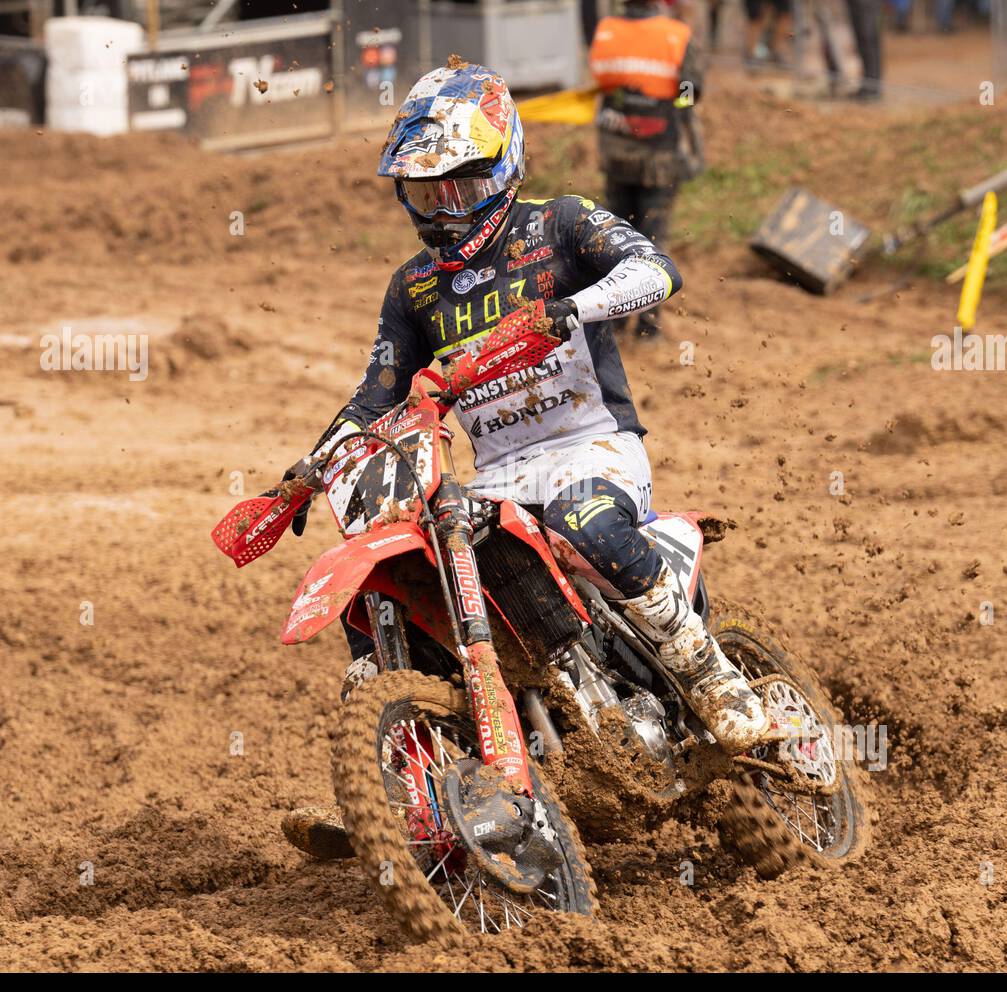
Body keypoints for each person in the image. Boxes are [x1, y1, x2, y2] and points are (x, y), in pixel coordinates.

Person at [284, 61, 775, 755]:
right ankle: (397, 760)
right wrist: (311, 467)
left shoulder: (560, 224)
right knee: (390, 575)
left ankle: (710, 675)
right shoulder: (414, 289)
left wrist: (571, 307)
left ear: (504, 164)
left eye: (463, 188)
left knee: (586, 523)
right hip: (497, 479)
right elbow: (375, 398)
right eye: (426, 195)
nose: (447, 211)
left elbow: (658, 271)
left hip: (593, 447)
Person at [588, 0, 704, 337]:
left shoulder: (607, 32)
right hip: (659, 155)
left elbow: (602, 80)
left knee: (618, 235)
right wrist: (675, 108)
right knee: (652, 237)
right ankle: (649, 325)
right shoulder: (677, 36)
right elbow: (692, 92)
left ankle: (618, 316)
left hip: (615, 152)